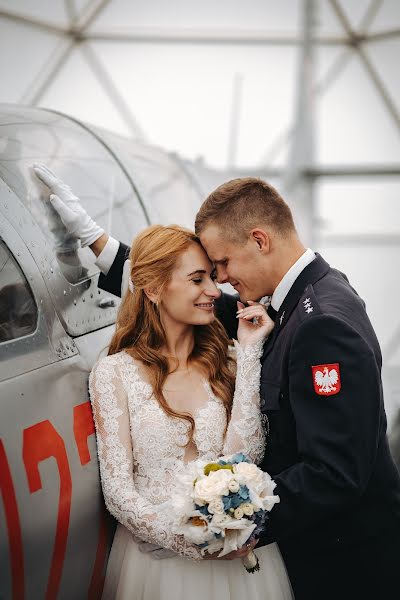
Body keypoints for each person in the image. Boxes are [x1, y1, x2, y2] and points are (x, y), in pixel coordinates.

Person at [34, 165, 400, 599]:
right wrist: (98, 242)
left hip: (344, 565)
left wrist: (227, 521)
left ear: (259, 240)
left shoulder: (322, 323)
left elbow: (336, 471)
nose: (220, 281)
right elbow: (182, 296)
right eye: (207, 273)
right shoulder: (303, 298)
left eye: (222, 264)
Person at [88, 223, 293, 599]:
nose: (215, 291)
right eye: (198, 280)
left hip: (237, 570)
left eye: (212, 278)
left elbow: (246, 458)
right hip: (155, 571)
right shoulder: (114, 372)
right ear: (153, 288)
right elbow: (118, 491)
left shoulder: (228, 361)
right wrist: (190, 540)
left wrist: (248, 354)